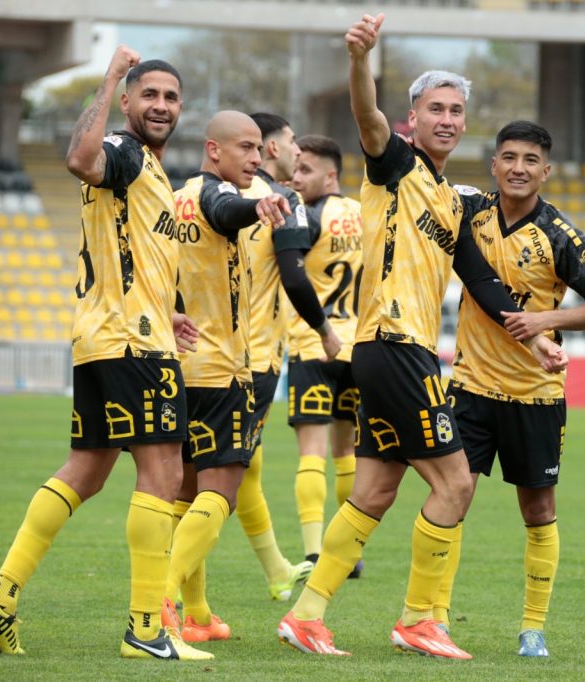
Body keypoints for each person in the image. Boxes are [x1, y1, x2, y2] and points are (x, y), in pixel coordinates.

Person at [277, 13, 566, 659]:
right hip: (395, 346)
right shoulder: (397, 165)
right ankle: (416, 620)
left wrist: (535, 335)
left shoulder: (448, 198)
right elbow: (368, 120)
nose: (448, 118)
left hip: (388, 354)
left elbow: (484, 284)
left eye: (457, 110)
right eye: (436, 108)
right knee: (456, 484)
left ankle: (307, 614)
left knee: (377, 489)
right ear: (414, 118)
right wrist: (360, 61)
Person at [0, 46, 210, 661]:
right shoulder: (125, 153)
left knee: (87, 471)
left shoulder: (149, 170)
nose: (160, 105)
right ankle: (146, 630)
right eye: (148, 94)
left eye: (171, 97)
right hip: (132, 345)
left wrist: (169, 308)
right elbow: (79, 157)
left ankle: (1, 599)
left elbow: (126, 256)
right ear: (127, 101)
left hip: (108, 339)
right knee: (164, 475)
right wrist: (106, 78)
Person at [437, 121, 585, 658]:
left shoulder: (560, 235)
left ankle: (532, 627)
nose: (519, 167)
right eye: (508, 157)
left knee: (537, 510)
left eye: (530, 159)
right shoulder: (470, 214)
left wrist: (543, 320)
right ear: (493, 165)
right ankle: (435, 618)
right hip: (470, 386)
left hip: (536, 394)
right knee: (453, 496)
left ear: (546, 170)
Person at [159, 111, 307, 648]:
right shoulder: (215, 195)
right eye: (246, 148)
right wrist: (259, 203)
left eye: (260, 148)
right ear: (213, 149)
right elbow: (226, 210)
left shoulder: (173, 198)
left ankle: (196, 612)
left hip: (178, 364)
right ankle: (161, 598)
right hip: (222, 368)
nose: (257, 157)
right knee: (222, 491)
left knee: (187, 491)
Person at [223, 112, 340, 603]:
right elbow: (294, 278)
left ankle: (282, 566)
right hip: (259, 356)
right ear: (272, 149)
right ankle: (164, 600)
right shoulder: (282, 203)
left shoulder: (218, 200)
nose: (296, 152)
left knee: (238, 470)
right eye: (291, 142)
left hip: (218, 349)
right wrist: (325, 329)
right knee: (214, 482)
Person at [287, 134, 364, 572]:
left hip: (312, 345)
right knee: (347, 451)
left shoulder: (307, 216)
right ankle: (350, 552)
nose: (297, 179)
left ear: (331, 174)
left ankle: (316, 551)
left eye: (306, 170)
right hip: (355, 350)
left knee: (312, 453)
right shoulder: (363, 215)